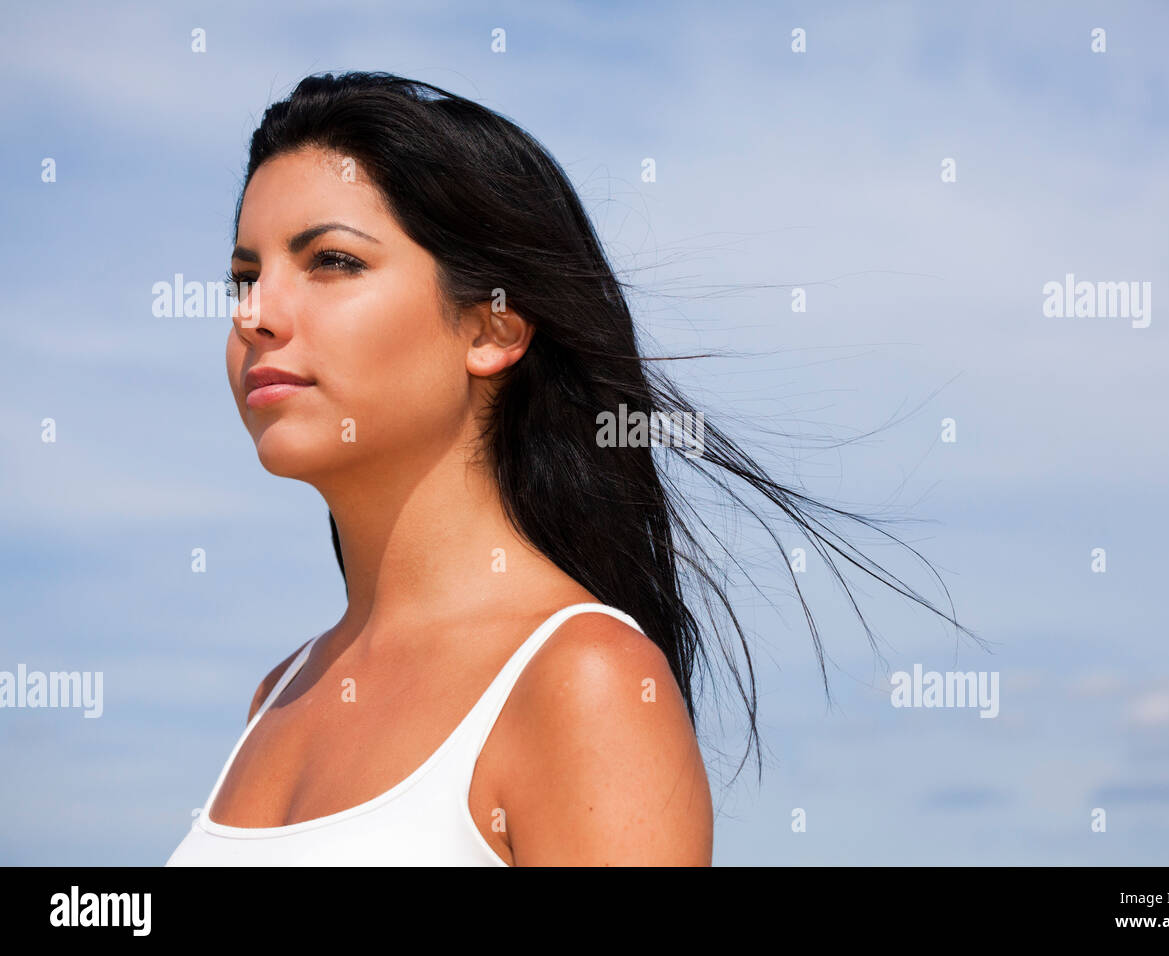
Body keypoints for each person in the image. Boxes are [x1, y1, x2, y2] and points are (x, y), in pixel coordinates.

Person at [166, 71, 976, 866]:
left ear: (491, 329)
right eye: (246, 275)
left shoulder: (585, 685)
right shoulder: (282, 690)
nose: (255, 314)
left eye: (332, 262)